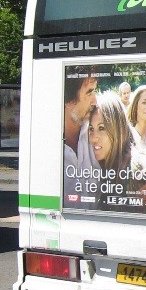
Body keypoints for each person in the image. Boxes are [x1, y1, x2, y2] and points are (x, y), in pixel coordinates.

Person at [88, 91, 146, 208]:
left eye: (102, 128)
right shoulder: (93, 160)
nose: (94, 138)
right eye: (91, 129)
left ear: (117, 129)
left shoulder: (132, 166)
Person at [63, 66, 98, 197]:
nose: (95, 101)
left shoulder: (97, 131)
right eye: (89, 93)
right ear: (68, 101)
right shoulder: (47, 143)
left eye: (95, 91)